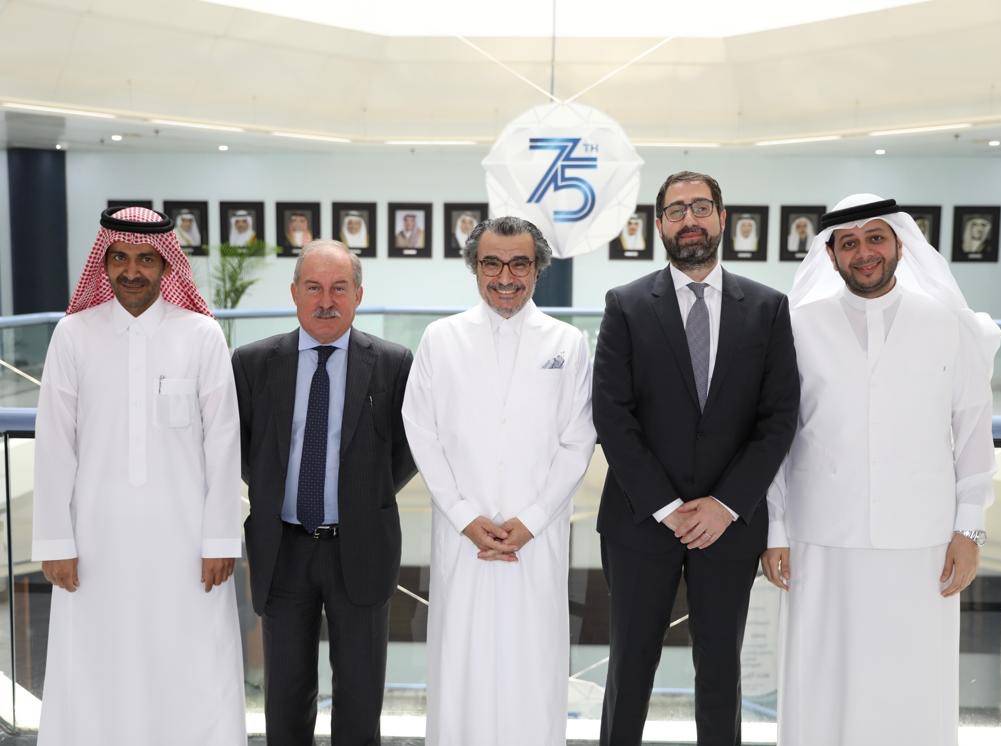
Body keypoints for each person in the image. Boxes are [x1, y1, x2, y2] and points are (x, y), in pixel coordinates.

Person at [761, 195, 1001, 746]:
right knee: (823, 685)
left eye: (875, 238)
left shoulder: (945, 323)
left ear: (898, 243)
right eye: (849, 242)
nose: (863, 252)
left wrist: (969, 529)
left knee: (913, 686)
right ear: (832, 253)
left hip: (923, 543)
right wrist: (775, 530)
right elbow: (778, 439)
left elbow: (971, 431)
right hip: (820, 538)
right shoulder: (797, 326)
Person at [593, 171, 800, 746]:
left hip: (729, 528)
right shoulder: (627, 306)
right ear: (659, 224)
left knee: (720, 672)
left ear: (722, 217)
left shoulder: (768, 308)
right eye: (676, 210)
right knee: (629, 669)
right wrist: (666, 505)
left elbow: (778, 419)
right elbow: (613, 415)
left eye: (701, 207)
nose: (690, 219)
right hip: (640, 521)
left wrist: (727, 505)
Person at [32, 206, 245, 746]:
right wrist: (56, 540)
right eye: (121, 258)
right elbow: (55, 443)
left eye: (146, 259)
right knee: (95, 664)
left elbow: (223, 443)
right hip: (94, 544)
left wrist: (220, 537)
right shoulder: (73, 335)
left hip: (185, 544)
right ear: (103, 262)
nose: (133, 271)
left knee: (189, 663)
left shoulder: (200, 335)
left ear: (165, 265)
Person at [402, 216, 597, 745]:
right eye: (492, 263)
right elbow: (422, 434)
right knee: (461, 665)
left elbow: (578, 441)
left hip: (538, 539)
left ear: (538, 269)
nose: (505, 276)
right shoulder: (441, 339)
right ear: (475, 267)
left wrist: (531, 521)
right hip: (462, 538)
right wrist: (466, 516)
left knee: (533, 668)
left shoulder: (567, 342)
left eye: (519, 263)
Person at [232, 239, 416, 745]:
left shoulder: (394, 363)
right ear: (294, 292)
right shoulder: (251, 363)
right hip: (282, 549)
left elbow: (407, 451)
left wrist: (364, 498)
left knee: (360, 696)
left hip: (361, 546)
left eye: (339, 288)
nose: (326, 300)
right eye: (313, 287)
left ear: (358, 294)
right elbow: (247, 452)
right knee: (286, 696)